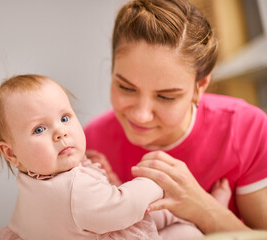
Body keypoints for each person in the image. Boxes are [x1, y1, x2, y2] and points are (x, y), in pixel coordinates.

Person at [84, 0, 267, 235]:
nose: (141, 115)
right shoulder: (91, 142)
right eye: (126, 88)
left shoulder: (247, 130)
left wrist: (202, 207)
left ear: (200, 86)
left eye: (166, 97)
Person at [0, 74, 207, 240]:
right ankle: (203, 221)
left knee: (159, 213)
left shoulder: (32, 182)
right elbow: (124, 206)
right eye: (39, 130)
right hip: (118, 218)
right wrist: (156, 182)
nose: (61, 132)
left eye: (64, 118)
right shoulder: (73, 189)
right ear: (11, 153)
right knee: (185, 232)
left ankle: (195, 214)